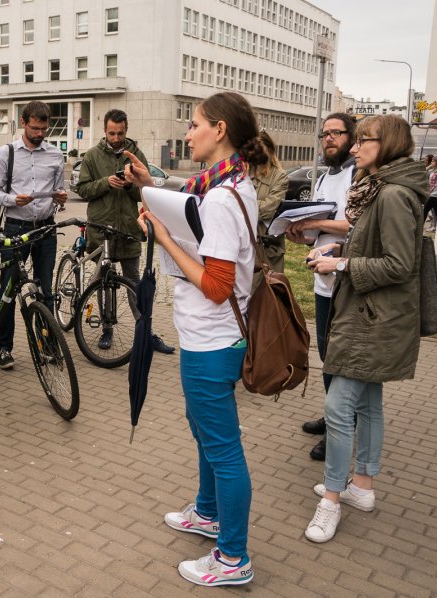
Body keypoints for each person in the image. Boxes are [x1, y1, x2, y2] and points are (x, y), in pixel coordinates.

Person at [131, 91, 265, 587]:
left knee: (224, 449)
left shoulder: (226, 198)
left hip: (213, 341)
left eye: (195, 125)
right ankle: (208, 513)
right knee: (206, 434)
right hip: (207, 338)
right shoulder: (221, 185)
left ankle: (233, 558)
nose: (188, 134)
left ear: (221, 130)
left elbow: (216, 286)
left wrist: (164, 239)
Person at [303, 115, 427, 543]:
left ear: (387, 144)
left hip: (373, 318)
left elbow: (399, 264)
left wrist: (341, 263)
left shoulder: (392, 193)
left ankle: (332, 501)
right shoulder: (385, 188)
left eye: (363, 141)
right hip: (375, 314)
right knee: (369, 403)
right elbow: (379, 243)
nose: (354, 149)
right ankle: (363, 488)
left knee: (339, 409)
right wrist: (344, 246)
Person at [74, 108, 174, 354]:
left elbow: (145, 192)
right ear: (105, 131)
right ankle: (107, 329)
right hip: (101, 232)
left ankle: (146, 333)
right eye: (111, 133)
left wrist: (131, 184)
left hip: (128, 230)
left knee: (134, 284)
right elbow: (83, 189)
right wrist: (106, 182)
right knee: (102, 285)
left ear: (126, 130)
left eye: (120, 133)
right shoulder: (92, 156)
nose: (116, 138)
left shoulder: (136, 154)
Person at [285, 113, 356, 462]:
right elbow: (322, 229)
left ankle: (339, 428)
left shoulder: (359, 175)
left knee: (341, 359)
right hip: (323, 281)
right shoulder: (327, 176)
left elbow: (355, 226)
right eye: (324, 134)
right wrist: (301, 233)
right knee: (328, 355)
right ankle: (332, 417)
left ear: (351, 138)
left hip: (349, 281)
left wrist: (315, 222)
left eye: (336, 133)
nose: (328, 139)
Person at [0, 100, 67, 369]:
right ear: (23, 123)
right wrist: (12, 200)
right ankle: (4, 347)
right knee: (8, 289)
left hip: (45, 228)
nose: (40, 134)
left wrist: (61, 198)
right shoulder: (6, 153)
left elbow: (59, 192)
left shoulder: (56, 155)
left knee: (46, 290)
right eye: (35, 128)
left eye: (44, 129)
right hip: (15, 227)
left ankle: (47, 345)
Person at [250, 130, 288, 279]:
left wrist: (241, 204)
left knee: (268, 295)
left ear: (269, 150)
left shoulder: (279, 176)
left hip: (268, 249)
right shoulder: (243, 172)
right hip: (246, 245)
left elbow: (268, 209)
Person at [424, 155, 437, 232]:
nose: (431, 162)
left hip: (436, 195)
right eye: (431, 161)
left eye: (433, 161)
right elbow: (424, 171)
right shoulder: (434, 170)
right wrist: (430, 166)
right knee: (436, 213)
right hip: (432, 194)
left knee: (425, 211)